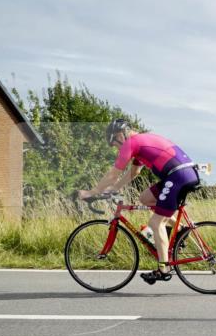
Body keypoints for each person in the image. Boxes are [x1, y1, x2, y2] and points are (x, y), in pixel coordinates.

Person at [79, 119, 200, 284]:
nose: (116, 147)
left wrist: (92, 192)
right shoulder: (140, 143)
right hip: (182, 173)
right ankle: (179, 230)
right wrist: (114, 189)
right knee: (145, 199)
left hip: (178, 176)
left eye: (114, 143)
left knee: (156, 223)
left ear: (120, 135)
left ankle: (163, 269)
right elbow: (134, 172)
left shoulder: (131, 143)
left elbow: (113, 174)